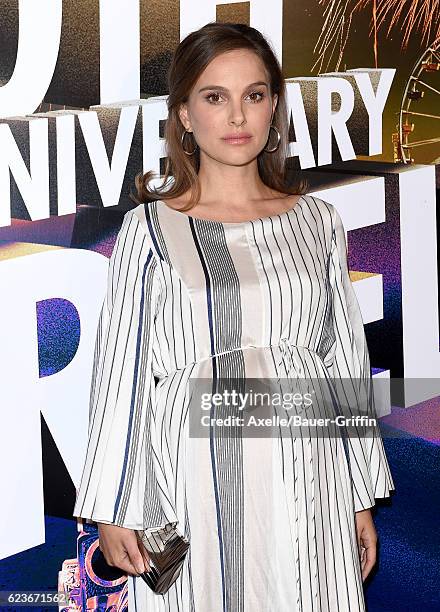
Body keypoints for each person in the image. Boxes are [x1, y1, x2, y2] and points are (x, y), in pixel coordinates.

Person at [73, 21, 395, 612]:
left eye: (254, 94)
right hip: (192, 473)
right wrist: (116, 506)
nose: (238, 115)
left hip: (309, 474)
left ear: (274, 107)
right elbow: (122, 375)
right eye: (215, 97)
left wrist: (359, 495)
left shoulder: (318, 222)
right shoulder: (150, 227)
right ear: (186, 116)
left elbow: (343, 365)